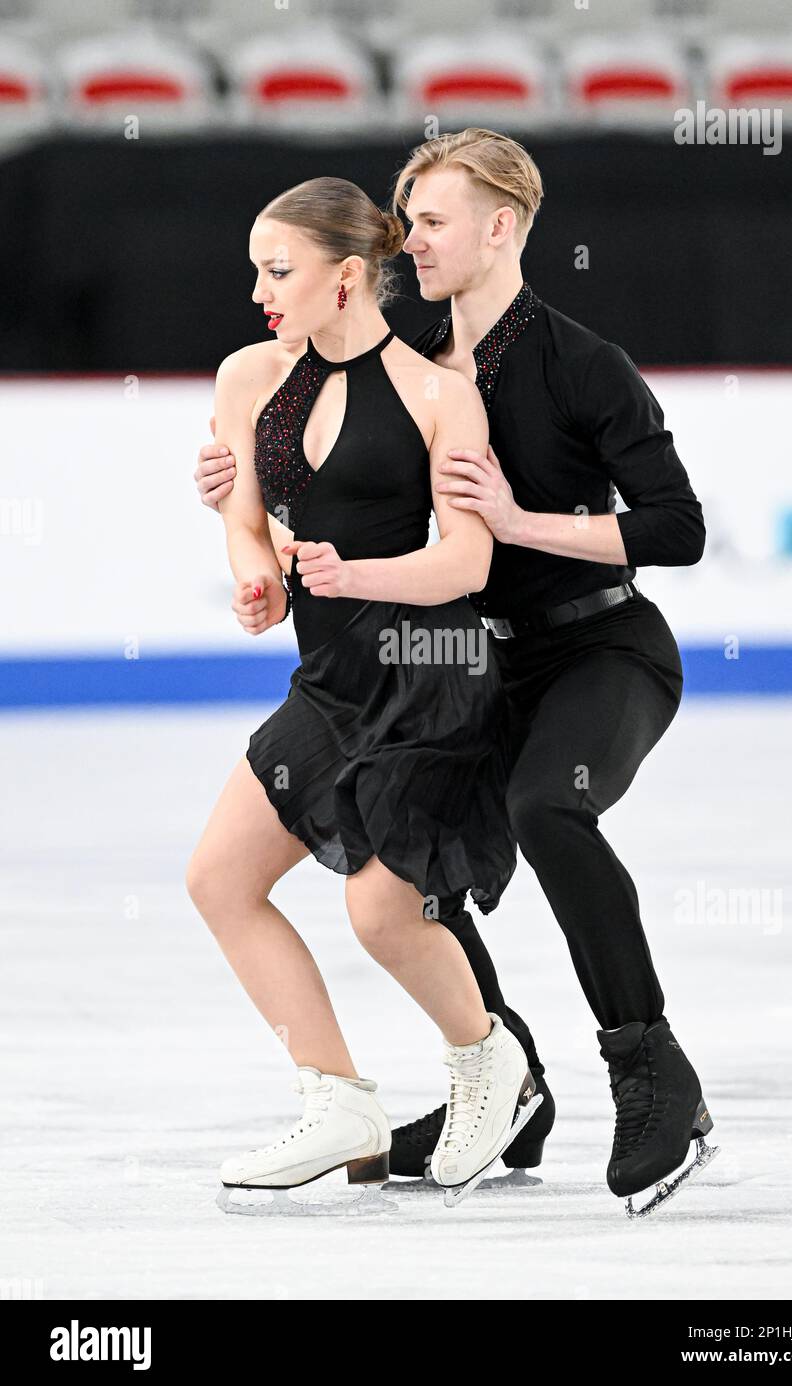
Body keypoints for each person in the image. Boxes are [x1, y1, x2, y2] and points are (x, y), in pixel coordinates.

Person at [195, 131, 717, 1217]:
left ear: (501, 228)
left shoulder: (579, 362)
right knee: (405, 851)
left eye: (430, 220)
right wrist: (236, 478)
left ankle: (649, 1067)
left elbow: (677, 527)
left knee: (543, 809)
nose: (410, 238)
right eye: (405, 217)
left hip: (596, 645)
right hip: (463, 660)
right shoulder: (406, 351)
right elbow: (311, 442)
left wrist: (523, 519)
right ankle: (503, 1076)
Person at [185, 175, 540, 1205]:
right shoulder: (250, 377)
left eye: (278, 271)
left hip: (434, 678)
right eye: (256, 269)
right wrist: (254, 574)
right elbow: (246, 520)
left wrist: (352, 575)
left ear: (347, 279)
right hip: (331, 679)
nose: (260, 289)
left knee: (380, 907)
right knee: (219, 878)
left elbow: (467, 563)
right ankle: (337, 1095)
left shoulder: (440, 394)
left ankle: (489, 1062)